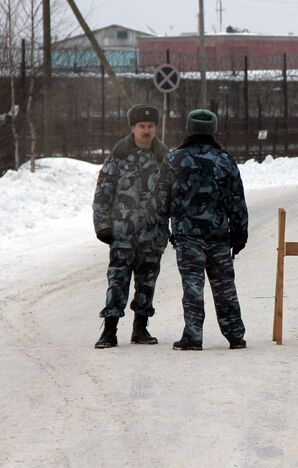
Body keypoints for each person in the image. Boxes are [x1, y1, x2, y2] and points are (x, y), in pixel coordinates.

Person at [154, 109, 248, 351]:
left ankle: (193, 337)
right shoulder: (225, 160)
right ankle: (235, 335)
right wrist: (239, 234)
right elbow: (236, 200)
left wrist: (163, 228)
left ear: (189, 128)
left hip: (187, 236)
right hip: (218, 235)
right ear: (213, 130)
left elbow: (160, 199)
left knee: (192, 285)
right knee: (225, 285)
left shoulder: (174, 159)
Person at [92, 104, 170, 349]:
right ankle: (109, 330)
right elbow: (103, 193)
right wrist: (103, 226)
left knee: (147, 282)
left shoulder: (165, 158)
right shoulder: (118, 156)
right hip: (123, 233)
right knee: (117, 281)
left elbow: (173, 195)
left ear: (156, 128)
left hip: (152, 234)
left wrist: (170, 228)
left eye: (150, 126)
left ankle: (140, 328)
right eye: (141, 126)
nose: (146, 131)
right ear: (133, 128)